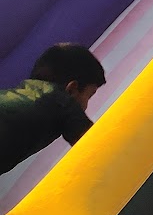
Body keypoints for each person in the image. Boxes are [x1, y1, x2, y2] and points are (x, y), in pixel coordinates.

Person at [0, 43, 106, 174]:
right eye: (89, 96)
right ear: (72, 89)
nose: (86, 106)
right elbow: (97, 150)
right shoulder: (61, 101)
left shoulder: (22, 94)